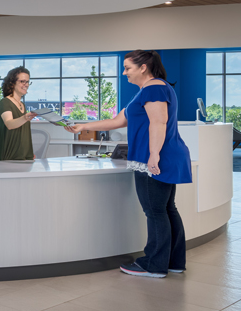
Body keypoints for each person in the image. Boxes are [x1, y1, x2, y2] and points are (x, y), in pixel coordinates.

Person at [66, 50, 191, 278]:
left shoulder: (154, 88)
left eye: (128, 68)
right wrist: (82, 126)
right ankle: (173, 261)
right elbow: (117, 121)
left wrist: (154, 154)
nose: (124, 73)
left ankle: (154, 264)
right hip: (163, 156)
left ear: (143, 67)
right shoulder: (149, 90)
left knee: (154, 211)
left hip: (151, 157)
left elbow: (159, 122)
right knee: (165, 209)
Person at [0, 66, 37, 161]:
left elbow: (22, 133)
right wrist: (25, 118)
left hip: (23, 158)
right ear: (12, 83)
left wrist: (28, 152)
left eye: (27, 82)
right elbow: (9, 124)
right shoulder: (5, 103)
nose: (26, 84)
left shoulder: (22, 105)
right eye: (22, 81)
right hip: (7, 157)